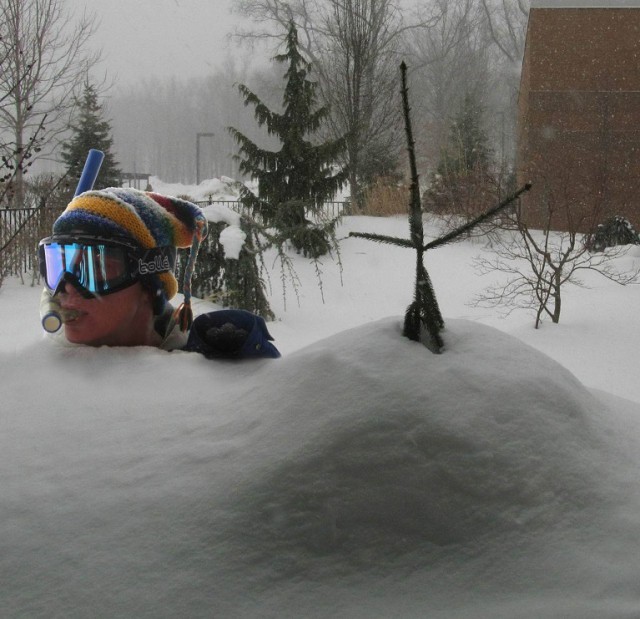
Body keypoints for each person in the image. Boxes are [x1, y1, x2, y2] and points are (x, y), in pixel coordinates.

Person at [38, 187, 280, 358]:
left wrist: (245, 355)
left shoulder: (196, 370)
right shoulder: (38, 374)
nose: (66, 286)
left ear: (150, 284)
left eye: (96, 267)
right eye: (59, 266)